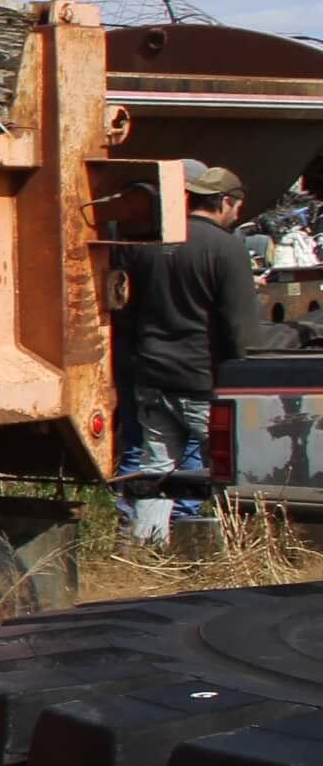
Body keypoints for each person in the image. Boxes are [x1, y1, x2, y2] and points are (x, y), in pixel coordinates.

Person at [116, 161, 283, 544]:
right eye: (236, 207)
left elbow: (125, 311)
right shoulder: (226, 249)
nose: (236, 215)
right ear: (225, 201)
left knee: (156, 468)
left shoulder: (147, 243)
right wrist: (248, 375)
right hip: (202, 381)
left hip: (152, 377)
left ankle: (143, 551)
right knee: (235, 467)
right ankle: (242, 547)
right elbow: (241, 327)